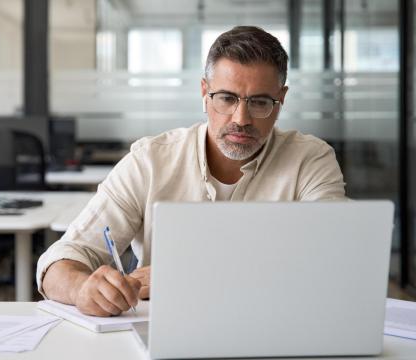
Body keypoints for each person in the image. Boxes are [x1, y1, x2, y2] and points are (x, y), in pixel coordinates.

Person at [37, 26, 346, 317]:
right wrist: (82, 289)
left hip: (274, 323)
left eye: (260, 102)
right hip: (166, 327)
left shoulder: (311, 160)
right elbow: (60, 261)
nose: (241, 118)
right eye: (226, 98)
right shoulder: (151, 161)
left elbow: (335, 259)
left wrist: (186, 275)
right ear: (204, 91)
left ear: (281, 100)